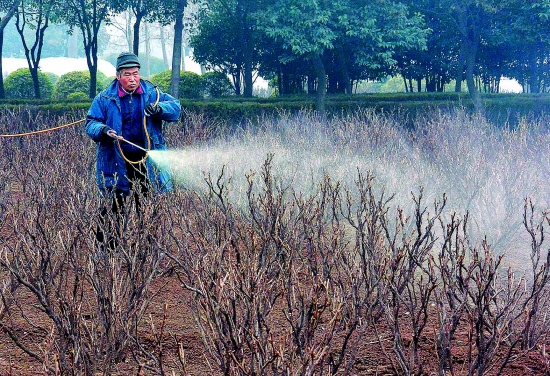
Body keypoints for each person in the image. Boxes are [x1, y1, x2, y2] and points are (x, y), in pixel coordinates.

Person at [85, 51, 181, 246]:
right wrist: (104, 130)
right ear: (118, 76)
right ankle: (106, 251)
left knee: (147, 206)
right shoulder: (104, 99)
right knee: (112, 205)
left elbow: (176, 108)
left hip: (146, 162)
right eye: (127, 74)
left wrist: (160, 109)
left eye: (135, 73)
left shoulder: (152, 93)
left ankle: (148, 250)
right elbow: (91, 123)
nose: (132, 79)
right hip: (116, 160)